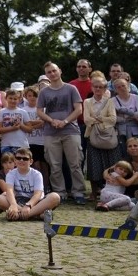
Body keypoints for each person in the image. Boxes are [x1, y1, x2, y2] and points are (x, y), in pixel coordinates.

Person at [37, 62, 85, 205]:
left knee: (75, 163)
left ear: (60, 71)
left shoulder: (71, 89)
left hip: (70, 130)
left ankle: (79, 192)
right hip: (51, 132)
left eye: (54, 71)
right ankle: (59, 193)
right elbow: (39, 111)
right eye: (49, 72)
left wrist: (64, 121)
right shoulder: (44, 92)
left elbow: (78, 109)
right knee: (54, 164)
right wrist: (51, 120)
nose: (52, 74)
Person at [0, 148, 61, 220]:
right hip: (19, 201)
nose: (21, 160)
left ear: (31, 161)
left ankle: (21, 215)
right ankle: (36, 215)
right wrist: (13, 205)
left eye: (25, 159)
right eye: (18, 158)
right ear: (15, 161)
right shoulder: (11, 174)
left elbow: (37, 194)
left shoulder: (37, 174)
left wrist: (28, 205)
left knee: (55, 197)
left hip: (36, 202)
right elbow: (9, 190)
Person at [83, 77, 120, 201]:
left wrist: (98, 121)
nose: (98, 89)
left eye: (101, 87)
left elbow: (113, 119)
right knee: (94, 164)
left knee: (112, 163)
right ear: (92, 87)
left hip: (107, 136)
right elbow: (86, 120)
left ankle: (112, 191)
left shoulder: (109, 102)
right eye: (96, 86)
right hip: (92, 136)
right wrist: (103, 119)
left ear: (105, 89)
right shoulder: (87, 102)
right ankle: (94, 192)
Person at [111, 78, 138, 159]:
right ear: (115, 89)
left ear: (128, 86)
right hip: (122, 132)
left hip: (136, 130)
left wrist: (124, 113)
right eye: (118, 87)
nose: (121, 88)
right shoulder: (112, 101)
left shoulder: (136, 97)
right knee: (125, 153)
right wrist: (131, 116)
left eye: (123, 85)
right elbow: (113, 118)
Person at [0, 89, 31, 155]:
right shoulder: (1, 112)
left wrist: (21, 125)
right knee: (8, 164)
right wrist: (12, 128)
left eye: (15, 99)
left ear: (19, 99)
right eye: (10, 98)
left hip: (21, 144)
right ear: (6, 98)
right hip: (6, 144)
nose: (12, 100)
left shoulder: (23, 112)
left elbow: (30, 129)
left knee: (21, 164)